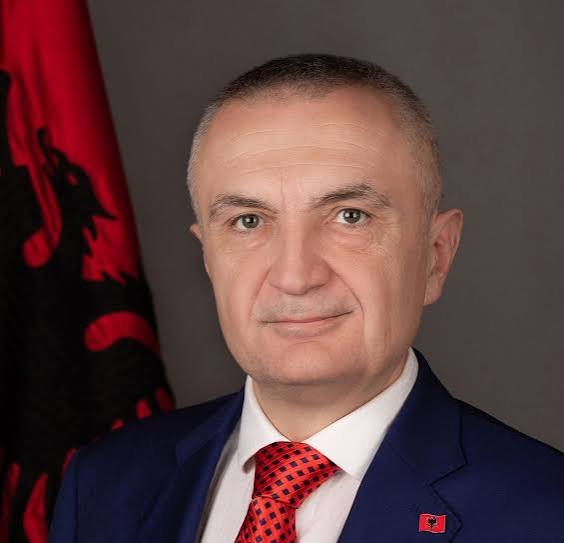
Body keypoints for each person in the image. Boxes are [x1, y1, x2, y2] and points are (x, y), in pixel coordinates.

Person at [49, 53, 564, 543]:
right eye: (248, 221)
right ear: (207, 256)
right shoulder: (102, 484)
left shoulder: (546, 510)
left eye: (349, 216)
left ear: (436, 256)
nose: (295, 276)